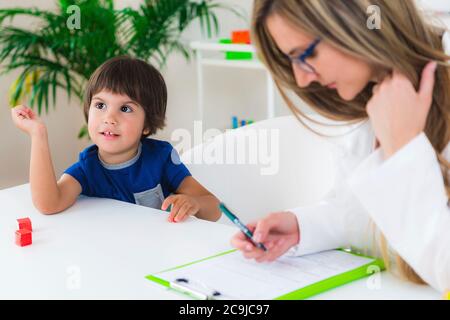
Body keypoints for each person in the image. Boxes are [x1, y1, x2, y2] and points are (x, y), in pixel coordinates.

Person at [231, 0, 450, 292]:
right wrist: (302, 227)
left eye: (306, 54)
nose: (302, 78)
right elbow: (369, 218)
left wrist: (404, 149)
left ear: (356, 18)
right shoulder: (375, 101)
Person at [11, 56, 221, 223]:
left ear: (147, 124)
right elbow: (49, 204)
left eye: (125, 108)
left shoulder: (161, 158)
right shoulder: (88, 168)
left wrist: (194, 203)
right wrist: (38, 135)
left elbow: (214, 209)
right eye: (100, 105)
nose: (109, 118)